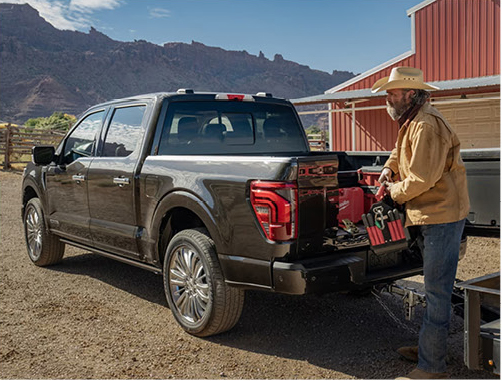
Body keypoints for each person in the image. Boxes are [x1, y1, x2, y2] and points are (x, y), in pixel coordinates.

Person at [371, 67, 470, 380]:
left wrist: (391, 192)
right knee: (434, 288)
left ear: (410, 94)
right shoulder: (413, 120)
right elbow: (400, 155)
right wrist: (388, 169)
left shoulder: (426, 125)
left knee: (437, 291)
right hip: (431, 213)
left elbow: (420, 178)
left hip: (440, 216)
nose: (388, 96)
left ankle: (431, 367)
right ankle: (431, 349)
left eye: (393, 91)